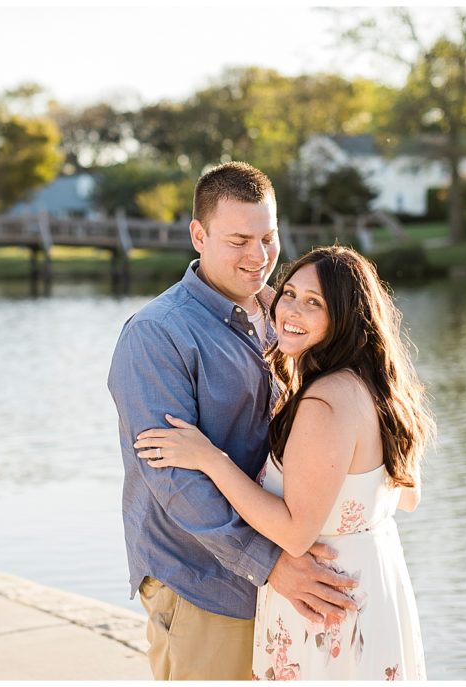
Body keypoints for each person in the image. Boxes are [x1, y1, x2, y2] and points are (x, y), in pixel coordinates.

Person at [134, 245, 434, 680]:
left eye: (315, 303)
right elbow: (408, 497)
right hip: (374, 584)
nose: (291, 309)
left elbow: (295, 534)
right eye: (288, 293)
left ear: (346, 317)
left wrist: (211, 459)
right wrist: (279, 307)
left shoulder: (324, 404)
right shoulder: (376, 390)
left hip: (323, 603)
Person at [107, 163, 358, 681]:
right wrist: (270, 563)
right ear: (198, 235)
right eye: (239, 240)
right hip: (206, 583)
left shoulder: (285, 313)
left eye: (268, 237)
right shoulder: (157, 335)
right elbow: (172, 480)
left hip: (291, 577)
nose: (259, 257)